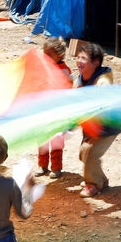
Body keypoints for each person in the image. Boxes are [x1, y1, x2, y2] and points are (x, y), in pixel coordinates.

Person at [74, 43, 121, 198]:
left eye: (84, 58)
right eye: (78, 57)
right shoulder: (80, 80)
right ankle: (100, 179)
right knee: (83, 154)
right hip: (90, 125)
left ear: (95, 63)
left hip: (108, 125)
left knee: (90, 154)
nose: (79, 61)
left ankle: (94, 184)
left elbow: (103, 102)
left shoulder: (103, 83)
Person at [35, 37, 73, 179]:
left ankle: (56, 167)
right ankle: (42, 165)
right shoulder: (42, 68)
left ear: (60, 55)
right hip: (42, 111)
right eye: (44, 54)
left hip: (58, 113)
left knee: (56, 140)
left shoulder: (64, 71)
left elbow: (68, 91)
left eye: (49, 55)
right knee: (42, 139)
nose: (45, 57)